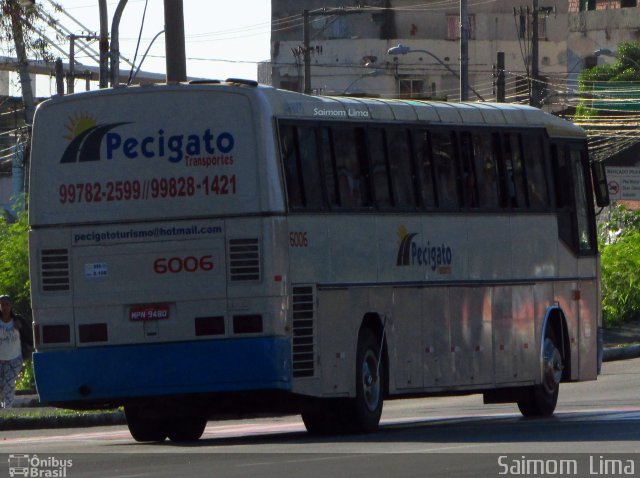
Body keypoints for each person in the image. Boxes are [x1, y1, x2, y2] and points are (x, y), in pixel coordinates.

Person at [0, 294, 31, 408]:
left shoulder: (17, 320)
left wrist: (20, 327)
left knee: (8, 385)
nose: (4, 307)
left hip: (14, 358)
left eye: (7, 304)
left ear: (11, 306)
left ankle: (7, 410)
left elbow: (29, 336)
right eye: (2, 305)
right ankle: (2, 409)